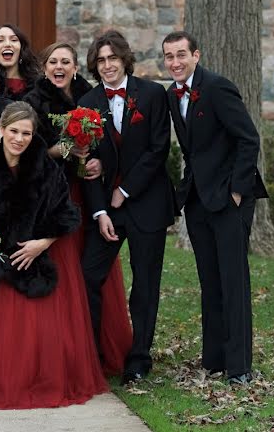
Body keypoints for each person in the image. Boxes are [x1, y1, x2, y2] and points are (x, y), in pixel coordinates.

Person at [0, 102, 109, 409]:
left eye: (27, 133)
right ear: (1, 131)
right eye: (14, 131)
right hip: (2, 261)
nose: (20, 138)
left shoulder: (46, 168)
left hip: (37, 258)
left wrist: (42, 243)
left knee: (38, 330)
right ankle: (3, 382)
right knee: (3, 332)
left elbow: (67, 214)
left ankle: (40, 381)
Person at [162, 31, 268, 385]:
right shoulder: (171, 94)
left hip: (228, 200)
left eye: (181, 55)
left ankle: (239, 367)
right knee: (210, 281)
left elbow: (248, 138)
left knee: (233, 282)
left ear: (196, 55)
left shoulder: (218, 88)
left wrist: (237, 192)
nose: (175, 62)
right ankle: (215, 359)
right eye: (168, 56)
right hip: (197, 201)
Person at [24, 41, 132, 375]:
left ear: (75, 68)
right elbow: (26, 152)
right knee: (64, 272)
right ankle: (63, 353)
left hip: (87, 195)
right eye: (53, 61)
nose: (59, 67)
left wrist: (95, 159)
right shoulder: (32, 102)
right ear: (44, 68)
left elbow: (107, 147)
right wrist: (62, 150)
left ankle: (95, 349)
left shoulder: (90, 98)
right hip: (51, 195)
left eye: (66, 62)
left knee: (90, 274)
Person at [78, 30, 177, 385]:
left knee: (146, 282)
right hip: (107, 210)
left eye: (112, 59)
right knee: (88, 276)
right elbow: (86, 162)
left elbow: (157, 149)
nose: (107, 66)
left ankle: (139, 358)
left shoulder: (151, 94)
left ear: (124, 59)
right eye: (100, 61)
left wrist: (125, 190)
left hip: (146, 202)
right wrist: (100, 211)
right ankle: (93, 354)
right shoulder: (87, 103)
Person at [0, 24, 42, 101]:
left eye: (14, 40)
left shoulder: (38, 85)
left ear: (21, 48)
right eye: (0, 40)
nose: (7, 44)